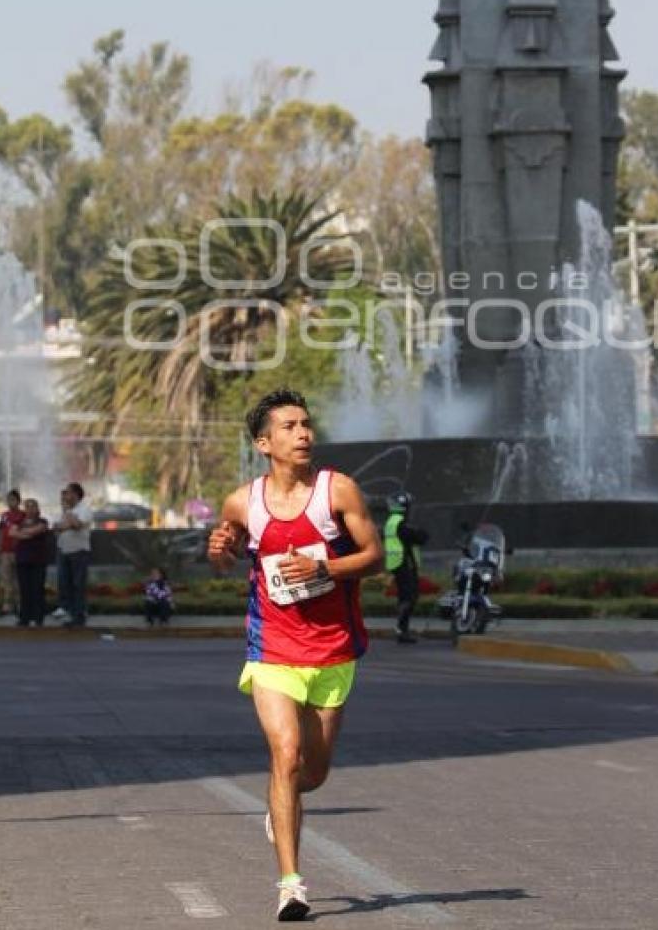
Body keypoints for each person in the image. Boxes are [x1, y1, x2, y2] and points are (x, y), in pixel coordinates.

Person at [208, 388, 383, 923]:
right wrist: (219, 552)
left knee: (313, 773)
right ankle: (291, 886)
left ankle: (283, 806)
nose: (303, 433)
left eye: (306, 424)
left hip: (333, 650)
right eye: (289, 427)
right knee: (284, 755)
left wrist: (326, 569)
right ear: (264, 443)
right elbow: (230, 556)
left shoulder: (339, 491)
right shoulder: (243, 501)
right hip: (273, 650)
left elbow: (376, 556)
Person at [383, 492, 429, 645]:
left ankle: (402, 629)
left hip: (396, 564)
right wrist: (421, 531)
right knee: (410, 597)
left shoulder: (391, 522)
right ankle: (401, 628)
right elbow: (421, 538)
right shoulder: (400, 524)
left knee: (404, 597)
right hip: (404, 564)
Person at [53, 482, 92, 627]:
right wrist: (64, 523)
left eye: (67, 492)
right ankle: (71, 613)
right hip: (64, 550)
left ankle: (79, 615)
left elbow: (77, 525)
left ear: (76, 494)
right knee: (65, 583)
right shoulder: (65, 511)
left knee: (78, 584)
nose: (65, 495)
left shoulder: (84, 509)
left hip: (79, 551)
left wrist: (68, 516)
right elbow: (57, 527)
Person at [11, 499, 50, 627]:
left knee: (37, 589)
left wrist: (22, 533)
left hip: (38, 560)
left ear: (37, 508)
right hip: (22, 560)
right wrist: (25, 533)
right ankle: (25, 618)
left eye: (33, 506)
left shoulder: (43, 521)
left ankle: (38, 618)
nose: (30, 509)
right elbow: (12, 532)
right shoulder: (19, 522)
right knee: (24, 589)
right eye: (27, 507)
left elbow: (36, 531)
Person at [0, 489, 24, 618]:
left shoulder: (22, 516)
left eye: (13, 499)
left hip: (18, 551)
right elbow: (2, 531)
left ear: (18, 501)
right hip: (5, 551)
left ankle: (20, 605)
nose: (10, 502)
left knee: (18, 579)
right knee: (6, 579)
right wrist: (0, 547)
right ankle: (7, 606)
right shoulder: (4, 515)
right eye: (8, 500)